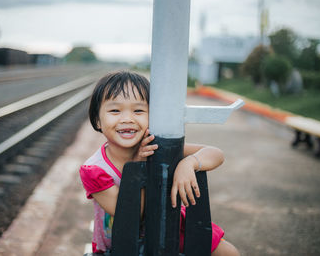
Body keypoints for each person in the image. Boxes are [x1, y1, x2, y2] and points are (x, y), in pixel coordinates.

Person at [79, 71, 239, 255]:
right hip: (122, 245)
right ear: (97, 120)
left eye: (138, 110)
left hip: (172, 229)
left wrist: (189, 164)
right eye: (115, 110)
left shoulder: (157, 146)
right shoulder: (95, 170)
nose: (127, 119)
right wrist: (137, 167)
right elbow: (131, 216)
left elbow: (215, 153)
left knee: (229, 252)